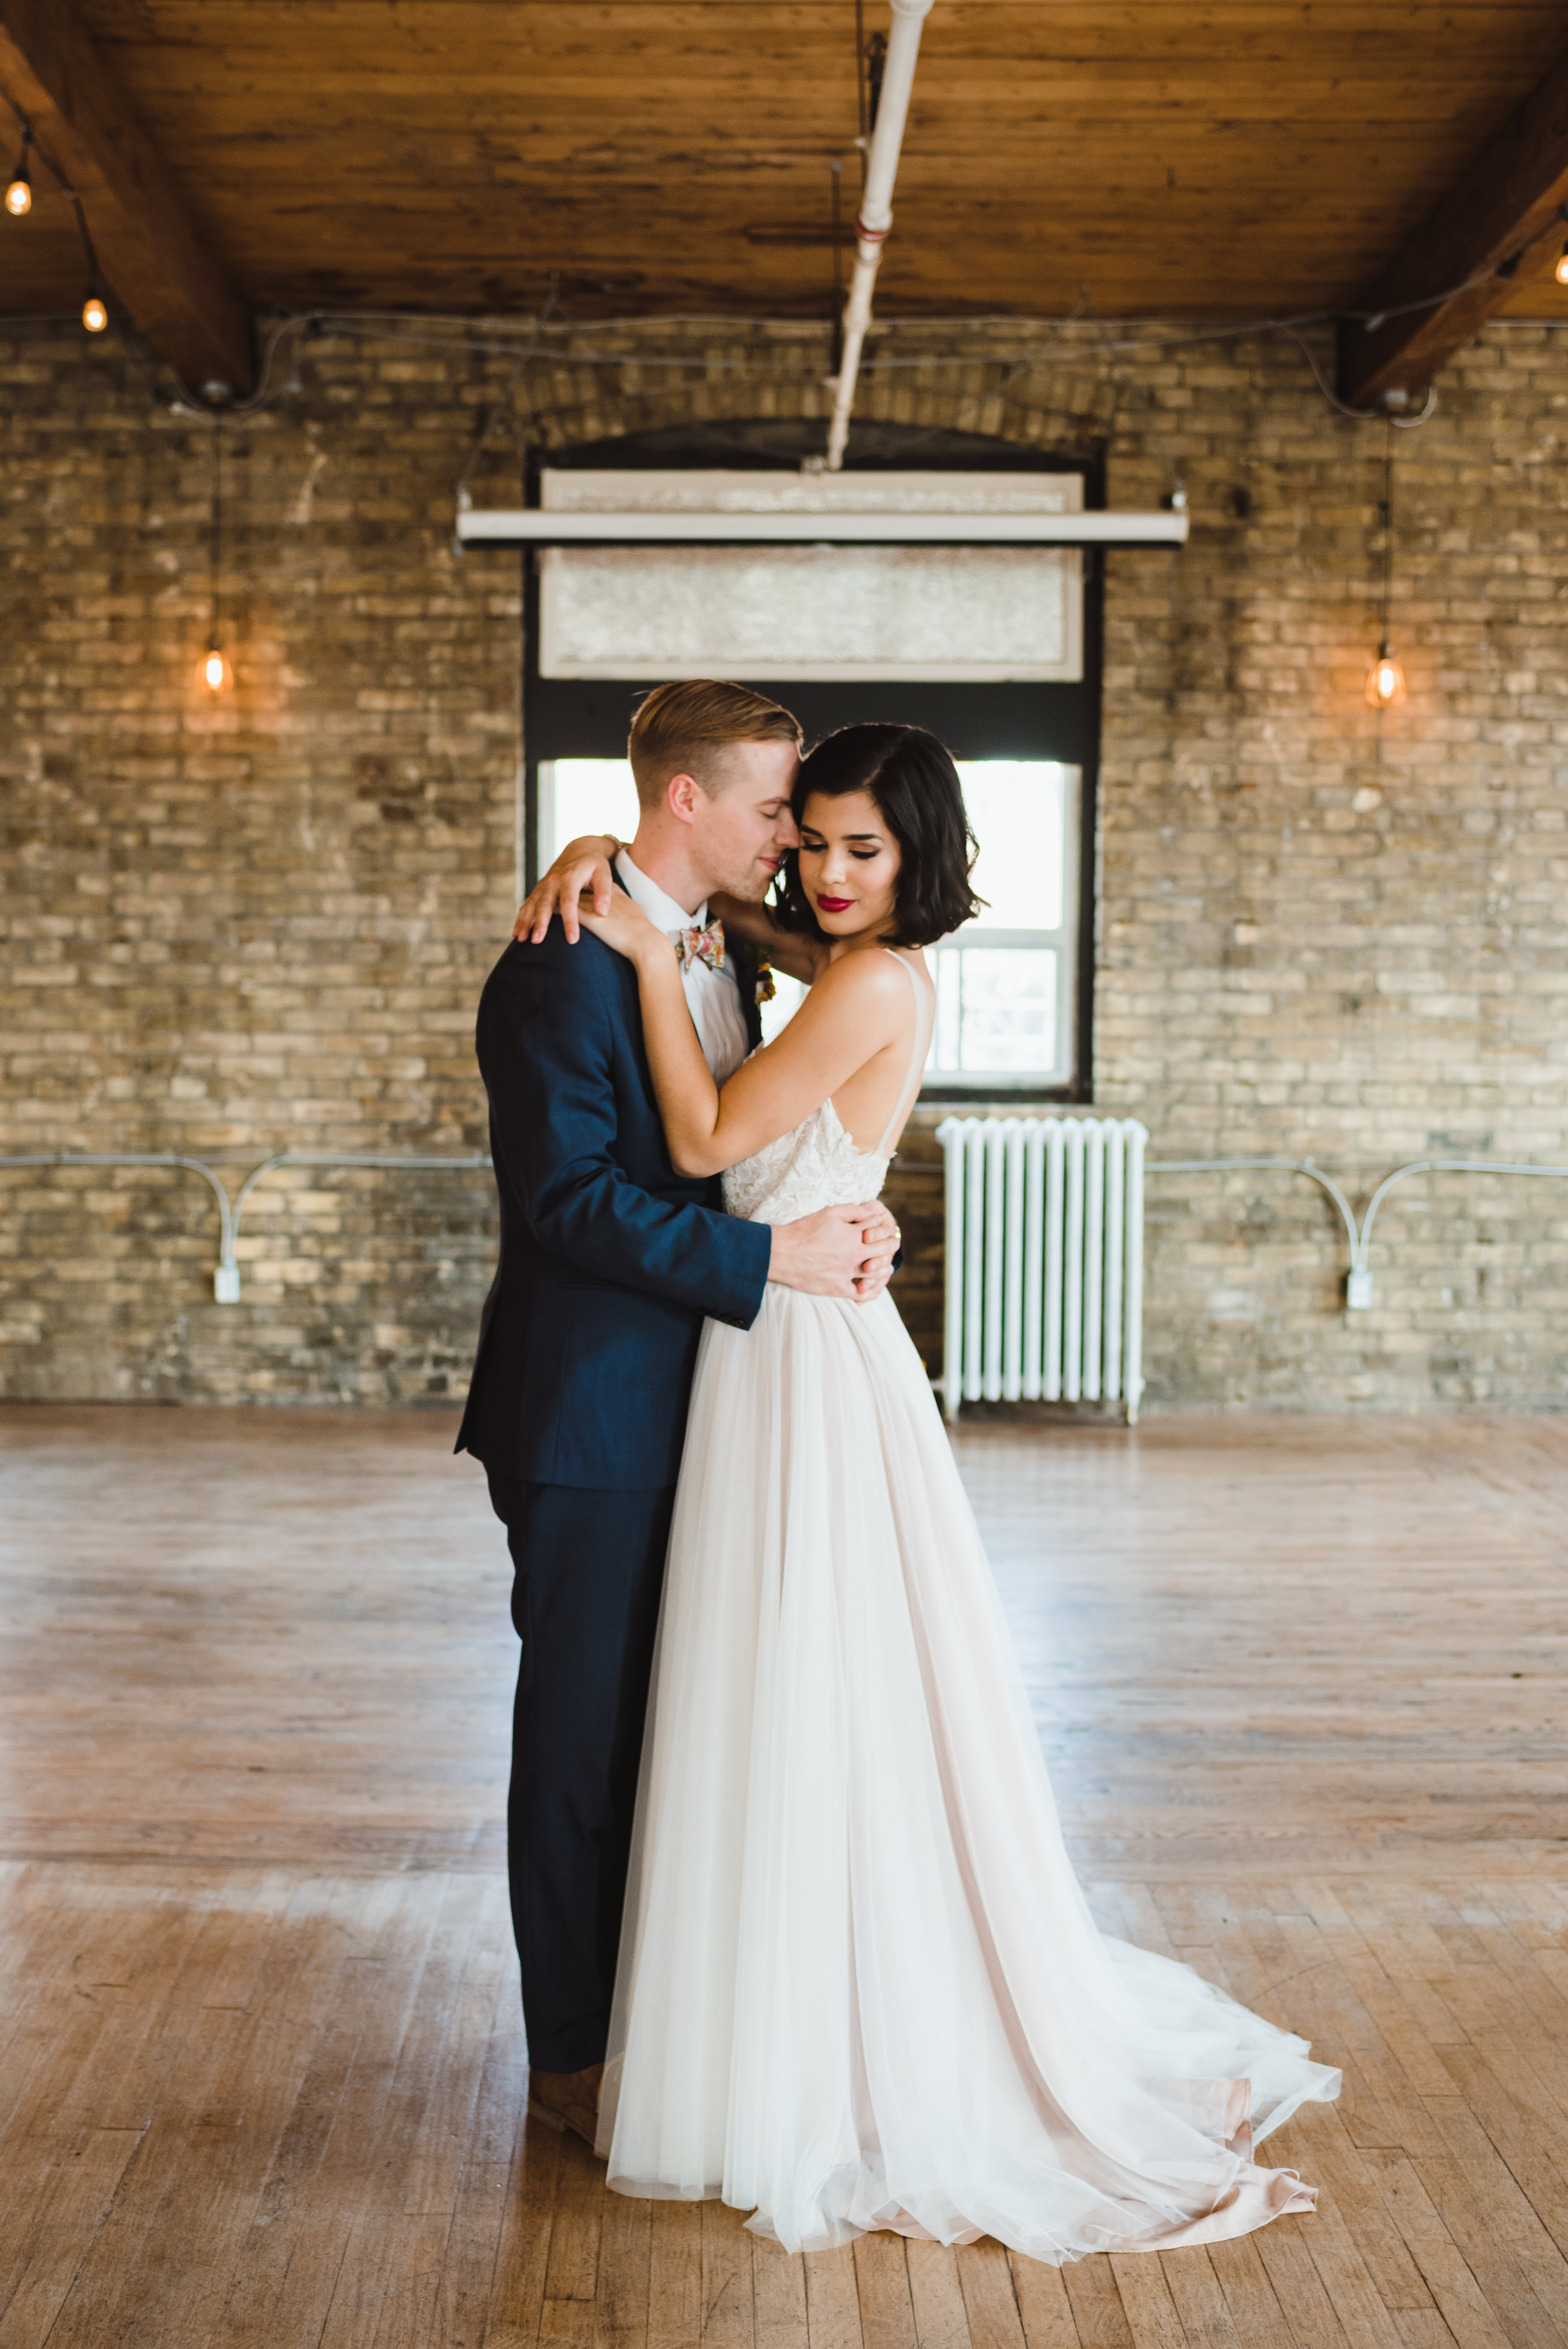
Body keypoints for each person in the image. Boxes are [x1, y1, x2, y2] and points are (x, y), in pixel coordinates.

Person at [513, 718, 1341, 2261]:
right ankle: (753, 2019)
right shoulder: (829, 958)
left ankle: (830, 2043)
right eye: (806, 833)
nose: (818, 867)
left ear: (917, 854)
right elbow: (725, 936)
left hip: (802, 1366)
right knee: (785, 1695)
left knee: (819, 1695)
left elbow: (701, 1135)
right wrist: (608, 876)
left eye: (855, 847)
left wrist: (636, 947)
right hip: (774, 1348)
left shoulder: (871, 980)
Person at [456, 682, 900, 2150]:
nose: (797, 841)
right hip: (594, 1415)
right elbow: (569, 1201)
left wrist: (850, 1213)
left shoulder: (730, 949)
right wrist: (771, 1257)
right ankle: (570, 2064)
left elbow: (761, 1129)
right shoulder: (558, 964)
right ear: (690, 802)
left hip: (716, 1401)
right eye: (778, 809)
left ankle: (667, 2034)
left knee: (680, 1732)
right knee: (580, 1745)